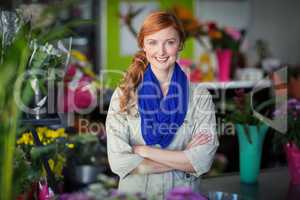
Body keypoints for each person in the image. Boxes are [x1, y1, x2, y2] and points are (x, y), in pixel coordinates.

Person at [106, 11, 219, 199]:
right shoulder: (124, 95)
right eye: (153, 42)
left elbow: (203, 160)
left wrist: (145, 151)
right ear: (143, 44)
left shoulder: (200, 97)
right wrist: (183, 157)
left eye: (170, 42)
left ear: (180, 44)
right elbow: (119, 162)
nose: (161, 51)